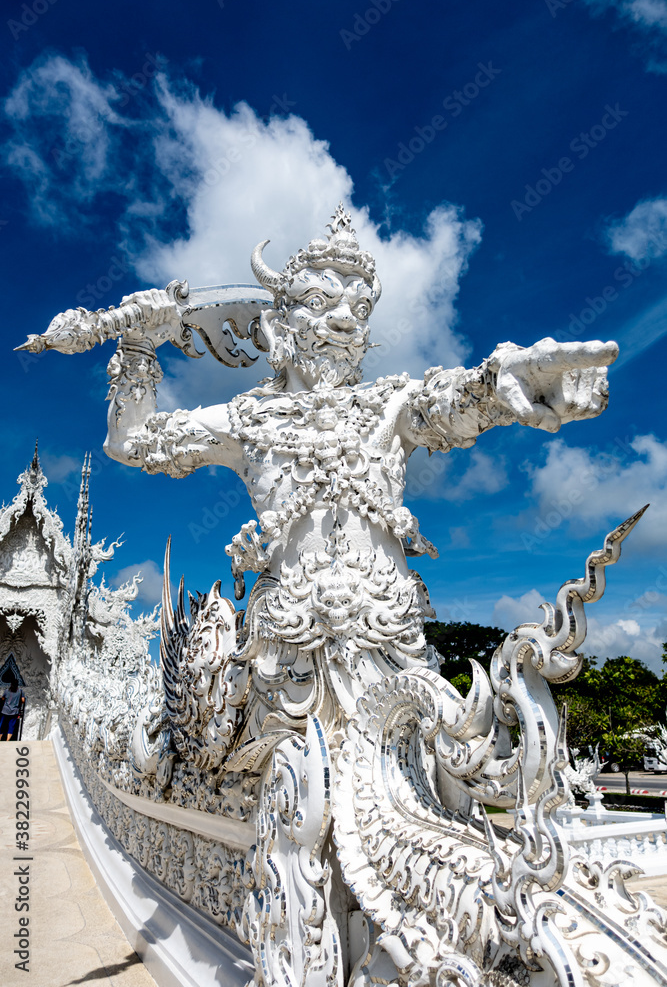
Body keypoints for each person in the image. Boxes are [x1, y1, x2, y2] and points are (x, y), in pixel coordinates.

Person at [99, 206, 617, 740]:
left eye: (360, 307)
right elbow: (132, 443)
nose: (345, 320)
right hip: (286, 653)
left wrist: (501, 382)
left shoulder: (391, 406)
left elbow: (449, 404)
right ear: (279, 326)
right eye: (320, 302)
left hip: (391, 645)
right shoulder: (246, 421)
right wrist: (138, 347)